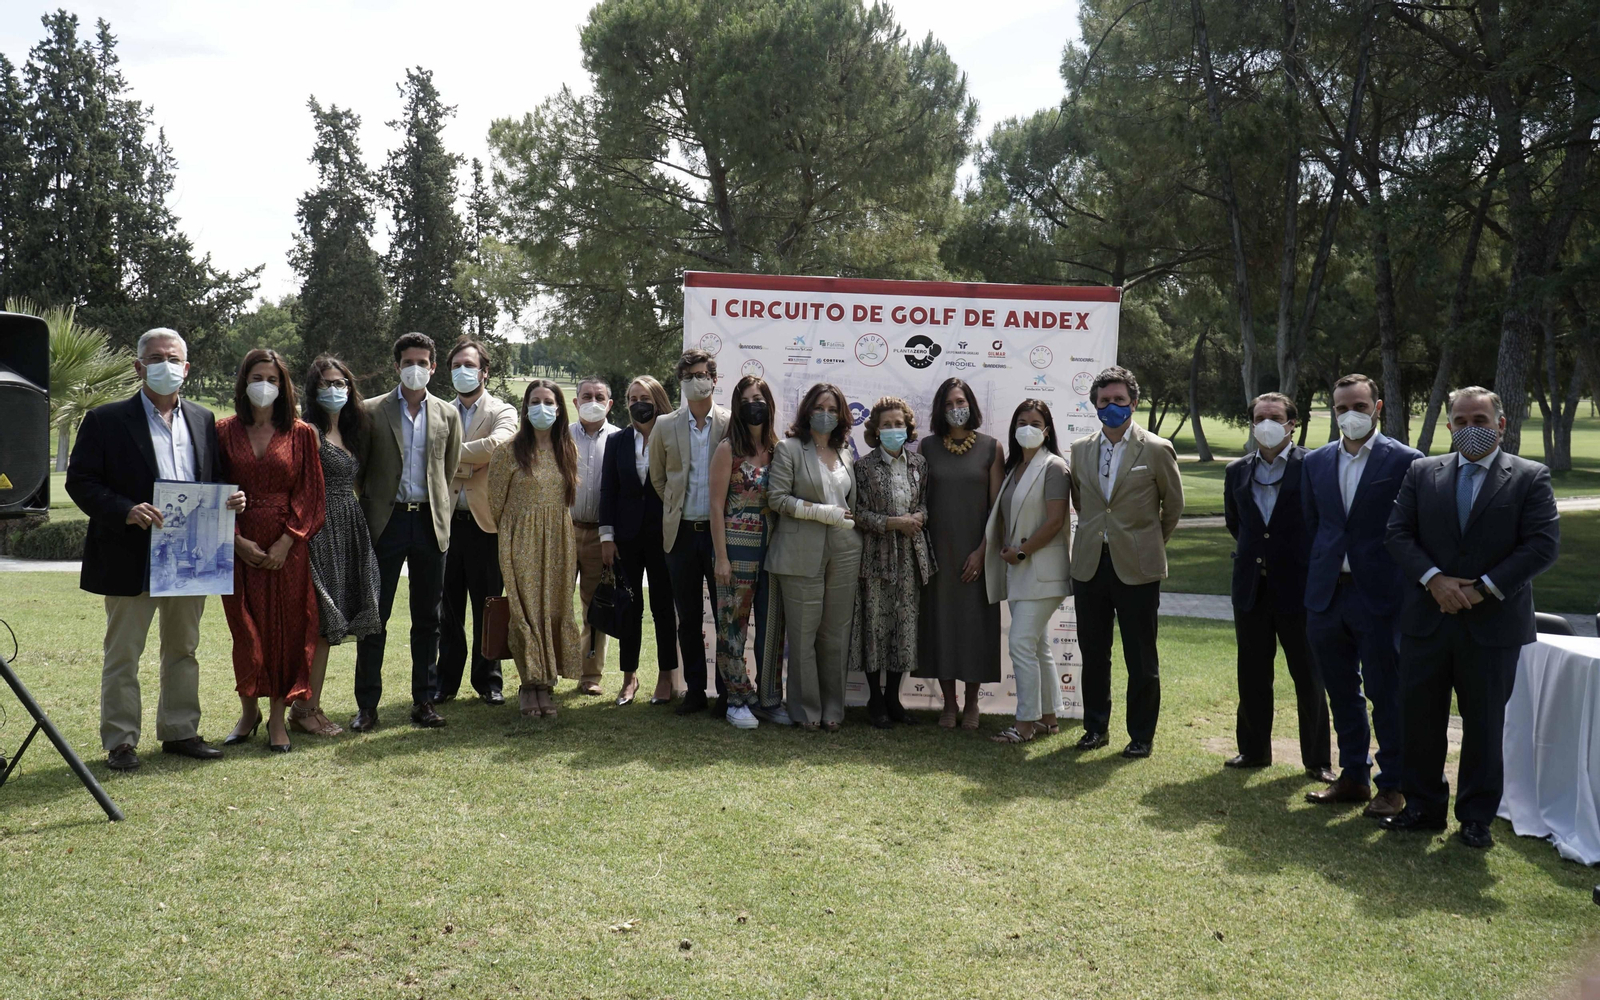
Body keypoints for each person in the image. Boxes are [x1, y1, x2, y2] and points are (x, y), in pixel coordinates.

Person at [1383, 387, 1559, 848]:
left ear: (1500, 425)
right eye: (1461, 421)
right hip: (1428, 617)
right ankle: (1422, 806)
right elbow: (1398, 534)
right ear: (1448, 427)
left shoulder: (1529, 477)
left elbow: (1541, 546)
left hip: (1493, 623)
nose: (1470, 429)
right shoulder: (1422, 473)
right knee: (1420, 717)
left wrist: (1481, 590)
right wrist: (1435, 581)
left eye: (1480, 420)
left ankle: (1476, 817)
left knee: (1484, 724)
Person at [65, 327, 246, 771]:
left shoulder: (204, 419)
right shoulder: (107, 420)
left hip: (191, 557)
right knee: (124, 652)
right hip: (129, 553)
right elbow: (80, 481)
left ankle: (181, 730)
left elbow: (212, 478)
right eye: (155, 357)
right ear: (138, 366)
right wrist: (125, 509)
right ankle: (121, 741)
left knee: (183, 647)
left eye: (173, 358)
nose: (165, 364)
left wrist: (230, 500)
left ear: (186, 368)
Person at [1300, 373, 1421, 817]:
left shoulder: (1407, 461)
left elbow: (1414, 531)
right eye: (1341, 408)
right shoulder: (1315, 462)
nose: (1350, 415)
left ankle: (1393, 784)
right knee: (1341, 691)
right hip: (1328, 595)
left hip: (1381, 596)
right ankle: (1353, 776)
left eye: (1359, 406)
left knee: (1386, 692)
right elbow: (1316, 527)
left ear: (1378, 407)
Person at [1068, 365, 1184, 759]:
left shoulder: (1154, 448)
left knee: (1140, 656)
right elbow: (1083, 502)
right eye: (1104, 401)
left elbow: (1173, 507)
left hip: (1137, 567)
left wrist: (1146, 543)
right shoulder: (1081, 449)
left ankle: (1141, 736)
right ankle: (1095, 728)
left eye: (1119, 400)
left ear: (1133, 403)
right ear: (1094, 405)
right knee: (1094, 653)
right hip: (1089, 565)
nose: (1112, 406)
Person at [216, 349, 327, 754]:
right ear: (243, 383)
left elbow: (312, 494)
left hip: (288, 549)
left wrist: (288, 539)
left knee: (287, 631)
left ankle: (278, 718)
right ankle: (248, 711)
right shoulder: (222, 431)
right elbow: (212, 490)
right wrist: (235, 540)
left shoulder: (301, 433)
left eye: (273, 378)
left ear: (283, 386)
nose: (265, 384)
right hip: (238, 544)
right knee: (244, 630)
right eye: (257, 376)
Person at [352, 332, 464, 732]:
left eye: (424, 361)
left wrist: (437, 511)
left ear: (433, 367)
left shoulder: (448, 415)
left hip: (430, 524)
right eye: (408, 361)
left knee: (428, 619)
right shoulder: (370, 410)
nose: (416, 368)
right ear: (396, 366)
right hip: (386, 523)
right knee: (374, 617)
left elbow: (448, 470)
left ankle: (424, 700)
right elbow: (360, 472)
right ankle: (367, 706)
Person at [1221, 392, 1333, 781]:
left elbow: (1324, 523)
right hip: (1251, 587)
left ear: (1292, 424)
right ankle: (1252, 750)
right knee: (1252, 672)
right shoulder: (1237, 470)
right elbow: (1238, 524)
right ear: (1252, 423)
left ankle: (1317, 760)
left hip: (1300, 586)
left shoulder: (1316, 465)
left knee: (1308, 674)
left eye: (1275, 417)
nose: (1266, 424)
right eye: (1259, 417)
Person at [292, 355, 382, 738]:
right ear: (313, 390)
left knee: (331, 625)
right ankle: (304, 708)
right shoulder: (307, 430)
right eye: (326, 383)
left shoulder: (351, 428)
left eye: (340, 383)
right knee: (321, 623)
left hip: (349, 528)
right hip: (319, 530)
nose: (334, 390)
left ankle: (309, 705)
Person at [766, 382, 863, 732]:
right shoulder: (789, 449)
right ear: (807, 411)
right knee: (804, 633)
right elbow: (776, 499)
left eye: (833, 409)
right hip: (799, 549)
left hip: (845, 548)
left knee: (836, 633)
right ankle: (806, 710)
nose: (826, 414)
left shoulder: (846, 452)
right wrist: (821, 512)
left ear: (842, 416)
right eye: (820, 408)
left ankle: (833, 710)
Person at [487, 379, 584, 718]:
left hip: (558, 541)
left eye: (549, 401)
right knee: (525, 611)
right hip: (520, 540)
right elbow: (496, 503)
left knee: (554, 608)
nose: (542, 407)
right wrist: (515, 537)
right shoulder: (508, 451)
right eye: (535, 401)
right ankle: (529, 685)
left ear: (559, 409)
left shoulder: (566, 448)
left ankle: (546, 683)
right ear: (526, 407)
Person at [916, 378, 1004, 730]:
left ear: (972, 404)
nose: (956, 408)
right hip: (938, 553)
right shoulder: (926, 447)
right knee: (940, 627)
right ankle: (948, 705)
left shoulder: (991, 448)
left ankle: (972, 704)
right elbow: (919, 501)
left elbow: (998, 509)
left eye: (961, 401)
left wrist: (984, 552)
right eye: (950, 403)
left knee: (974, 627)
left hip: (976, 552)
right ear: (940, 409)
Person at [648, 349, 731, 716]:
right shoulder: (666, 425)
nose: (696, 381)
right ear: (680, 382)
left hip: (720, 537)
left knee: (725, 615)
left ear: (713, 378)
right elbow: (658, 477)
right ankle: (696, 690)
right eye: (688, 376)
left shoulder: (731, 423)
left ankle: (728, 693)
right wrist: (675, 505)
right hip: (680, 535)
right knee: (690, 618)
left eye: (702, 374)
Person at [983, 399, 1071, 744]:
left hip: (1042, 570)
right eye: (1022, 421)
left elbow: (1055, 521)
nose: (1028, 427)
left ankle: (1025, 724)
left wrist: (1021, 552)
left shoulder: (1054, 468)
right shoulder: (1012, 468)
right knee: (1037, 646)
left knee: (1020, 642)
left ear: (1047, 430)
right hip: (1018, 570)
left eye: (1036, 422)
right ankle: (1048, 718)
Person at [438, 337, 518, 706]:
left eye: (470, 366)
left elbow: (498, 448)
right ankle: (446, 682)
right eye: (456, 366)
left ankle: (489, 682)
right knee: (448, 609)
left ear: (485, 372)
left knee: (488, 605)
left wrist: (447, 458)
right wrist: (473, 461)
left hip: (487, 526)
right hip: (446, 523)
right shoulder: (438, 410)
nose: (462, 372)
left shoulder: (504, 410)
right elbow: (431, 452)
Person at [849, 396, 934, 730]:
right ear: (875, 429)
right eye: (887, 425)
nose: (894, 429)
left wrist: (918, 517)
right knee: (875, 625)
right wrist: (893, 523)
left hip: (911, 557)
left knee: (904, 626)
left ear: (908, 427)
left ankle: (894, 700)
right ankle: (875, 701)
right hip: (875, 555)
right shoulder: (864, 467)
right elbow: (858, 514)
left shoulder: (919, 465)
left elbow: (926, 505)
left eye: (899, 424)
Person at [599, 376, 680, 707]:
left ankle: (665, 677)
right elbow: (608, 490)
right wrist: (607, 536)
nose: (637, 403)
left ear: (657, 400)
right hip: (625, 539)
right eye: (631, 398)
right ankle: (629, 677)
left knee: (663, 608)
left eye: (643, 397)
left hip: (665, 538)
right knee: (629, 609)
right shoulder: (617, 441)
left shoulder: (673, 437)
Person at [710, 375, 780, 730]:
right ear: (738, 407)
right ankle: (737, 699)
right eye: (747, 399)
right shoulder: (728, 450)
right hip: (736, 550)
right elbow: (715, 506)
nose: (755, 405)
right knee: (731, 628)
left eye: (760, 398)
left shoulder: (779, 449)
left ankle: (767, 699)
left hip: (772, 553)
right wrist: (721, 557)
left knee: (769, 630)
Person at [571, 376, 621, 695]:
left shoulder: (619, 439)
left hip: (600, 535)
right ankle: (549, 671)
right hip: (564, 531)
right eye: (586, 395)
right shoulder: (560, 437)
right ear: (575, 402)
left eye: (599, 396)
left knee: (595, 607)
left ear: (609, 403)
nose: (592, 401)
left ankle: (591, 675)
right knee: (555, 605)